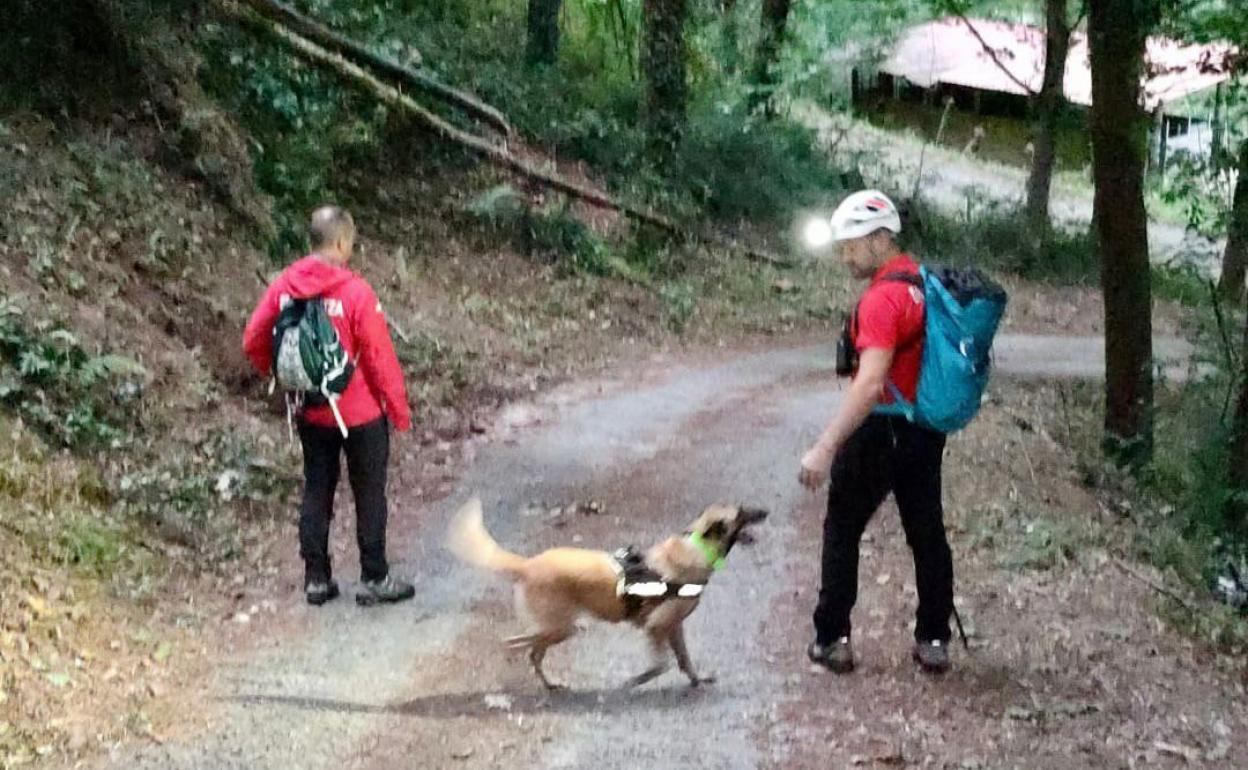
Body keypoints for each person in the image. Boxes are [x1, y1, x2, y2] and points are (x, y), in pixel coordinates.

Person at [799, 190, 953, 674]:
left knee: (842, 526)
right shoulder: (922, 285)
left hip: (881, 427)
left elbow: (869, 384)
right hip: (924, 430)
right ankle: (933, 638)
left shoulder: (884, 299)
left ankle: (831, 637)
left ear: (882, 238)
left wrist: (826, 446)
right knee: (926, 531)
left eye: (853, 244)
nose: (845, 254)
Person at [243, 205, 416, 607]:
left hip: (311, 409)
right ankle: (374, 576)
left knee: (317, 488)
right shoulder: (356, 292)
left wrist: (284, 377)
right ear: (340, 243)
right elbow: (378, 357)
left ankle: (316, 579)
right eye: (350, 244)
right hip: (360, 413)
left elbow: (253, 338)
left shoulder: (283, 286)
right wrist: (398, 410)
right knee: (369, 492)